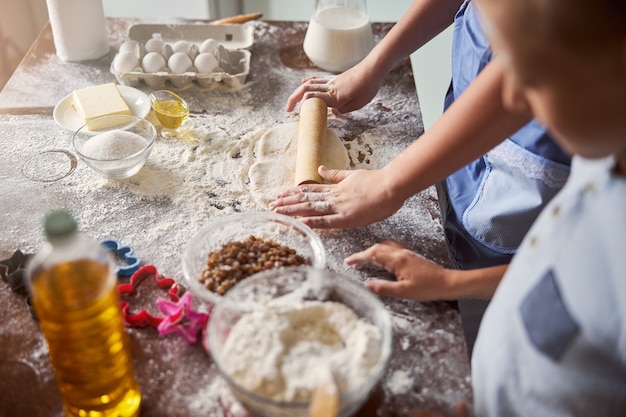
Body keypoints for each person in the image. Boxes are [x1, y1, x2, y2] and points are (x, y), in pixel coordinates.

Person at [273, 0, 571, 354]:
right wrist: (374, 65)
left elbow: (531, 71)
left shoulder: (601, 186)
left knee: (499, 332)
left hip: (526, 180)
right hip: (464, 146)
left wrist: (391, 183)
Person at [420, 0, 626, 414]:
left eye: (530, 76)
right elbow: (561, 281)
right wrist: (450, 284)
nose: (510, 95)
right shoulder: (602, 153)